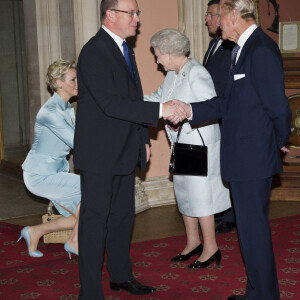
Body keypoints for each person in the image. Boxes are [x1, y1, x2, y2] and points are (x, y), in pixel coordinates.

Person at [169, 0, 291, 299]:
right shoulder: (241, 50)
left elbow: (279, 107)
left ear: (235, 15)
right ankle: (257, 291)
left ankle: (264, 295)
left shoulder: (260, 49)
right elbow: (228, 103)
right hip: (244, 157)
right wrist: (189, 110)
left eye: (220, 16)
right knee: (249, 234)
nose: (217, 22)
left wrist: (274, 145)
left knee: (254, 232)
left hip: (253, 159)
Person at [73, 0, 184, 299]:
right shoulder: (95, 51)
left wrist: (143, 140)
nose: (137, 19)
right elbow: (111, 104)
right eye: (131, 13)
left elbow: (132, 97)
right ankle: (90, 291)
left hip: (124, 148)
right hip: (99, 154)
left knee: (123, 216)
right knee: (95, 223)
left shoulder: (124, 48)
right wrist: (161, 109)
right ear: (111, 15)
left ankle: (120, 275)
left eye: (137, 13)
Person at [144, 28, 231, 269]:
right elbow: (160, 98)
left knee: (201, 197)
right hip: (181, 144)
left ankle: (211, 247)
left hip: (198, 144)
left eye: (158, 54)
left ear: (170, 53)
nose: (157, 59)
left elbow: (211, 106)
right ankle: (193, 242)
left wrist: (184, 114)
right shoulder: (173, 74)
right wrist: (133, 101)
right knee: (184, 194)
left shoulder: (196, 72)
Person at [19, 59, 81, 259]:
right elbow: (77, 142)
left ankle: (34, 232)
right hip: (40, 175)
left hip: (54, 172)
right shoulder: (50, 112)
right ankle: (74, 242)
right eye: (73, 79)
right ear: (58, 82)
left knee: (80, 217)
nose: (77, 83)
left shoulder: (66, 108)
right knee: (93, 188)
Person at [203, 0, 236, 234]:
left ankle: (231, 214)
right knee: (218, 165)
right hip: (215, 112)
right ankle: (223, 211)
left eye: (211, 15)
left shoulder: (230, 46)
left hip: (227, 113)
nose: (207, 19)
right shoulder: (215, 43)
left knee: (229, 164)